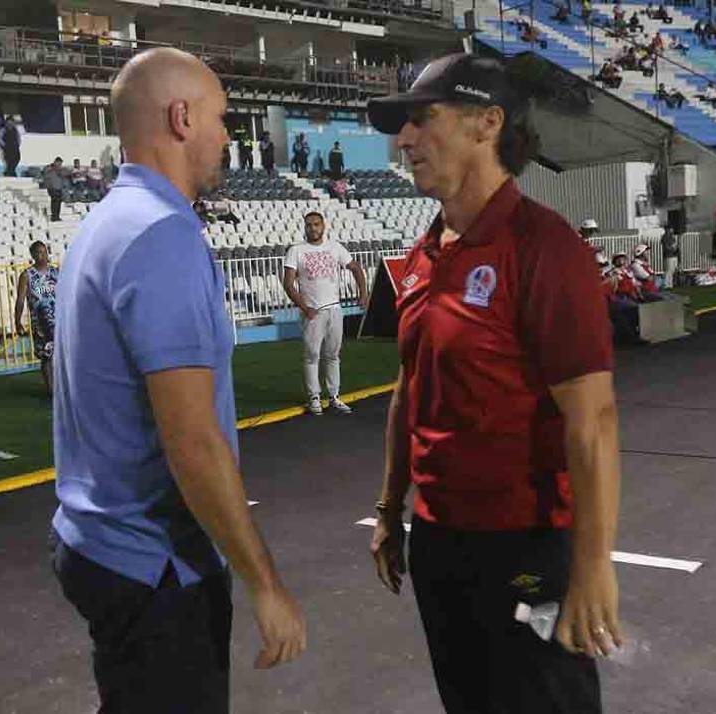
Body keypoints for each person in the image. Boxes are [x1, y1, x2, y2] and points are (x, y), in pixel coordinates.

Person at [365, 53, 623, 714]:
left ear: (487, 123)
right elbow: (410, 386)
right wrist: (392, 509)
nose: (404, 141)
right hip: (439, 542)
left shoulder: (544, 247)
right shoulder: (426, 250)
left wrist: (592, 566)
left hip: (525, 545)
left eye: (422, 120)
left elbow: (591, 419)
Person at [50, 47, 306, 713]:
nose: (230, 137)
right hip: (154, 565)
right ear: (182, 117)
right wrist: (265, 583)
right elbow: (192, 442)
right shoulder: (163, 236)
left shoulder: (105, 223)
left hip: (98, 542)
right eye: (223, 119)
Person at [282, 211, 368, 416]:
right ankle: (314, 397)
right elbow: (288, 284)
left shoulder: (335, 247)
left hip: (334, 309)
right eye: (309, 225)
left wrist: (363, 293)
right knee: (312, 355)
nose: (313, 228)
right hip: (313, 312)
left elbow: (355, 267)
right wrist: (305, 307)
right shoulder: (296, 250)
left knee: (333, 355)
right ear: (305, 227)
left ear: (323, 226)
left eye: (316, 224)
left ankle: (334, 396)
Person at [14, 241, 59, 396]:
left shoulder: (55, 272)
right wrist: (17, 321)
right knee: (46, 355)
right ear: (33, 255)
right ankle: (51, 390)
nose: (43, 255)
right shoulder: (27, 276)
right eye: (39, 252)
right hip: (41, 323)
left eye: (44, 252)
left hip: (59, 320)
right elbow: (20, 300)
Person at [42, 157, 65, 221]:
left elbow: (65, 174)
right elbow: (45, 174)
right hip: (51, 187)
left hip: (58, 187)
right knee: (54, 202)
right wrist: (54, 169)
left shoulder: (60, 170)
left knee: (58, 202)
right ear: (55, 162)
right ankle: (54, 216)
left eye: (61, 163)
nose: (60, 164)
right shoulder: (49, 168)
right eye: (59, 163)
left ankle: (57, 216)